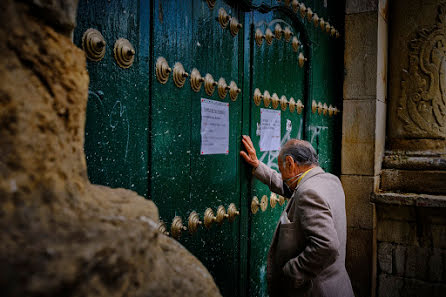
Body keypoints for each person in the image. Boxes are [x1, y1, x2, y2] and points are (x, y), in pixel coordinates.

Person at [240, 135, 354, 297]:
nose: (283, 176)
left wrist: (293, 270)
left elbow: (326, 245)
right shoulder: (330, 181)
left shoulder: (309, 192)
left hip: (315, 291)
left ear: (290, 163)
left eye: (281, 170)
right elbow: (289, 187)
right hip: (337, 286)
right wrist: (258, 166)